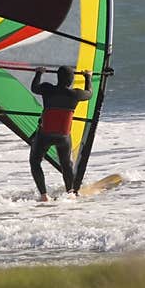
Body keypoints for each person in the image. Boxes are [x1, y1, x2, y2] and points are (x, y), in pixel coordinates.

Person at [29, 65, 92, 201]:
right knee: (66, 164)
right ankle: (71, 192)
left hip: (45, 134)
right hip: (63, 136)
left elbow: (34, 87)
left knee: (35, 161)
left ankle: (44, 195)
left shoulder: (48, 89)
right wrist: (88, 77)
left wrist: (39, 73)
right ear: (71, 80)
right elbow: (89, 93)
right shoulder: (75, 94)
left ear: (58, 78)